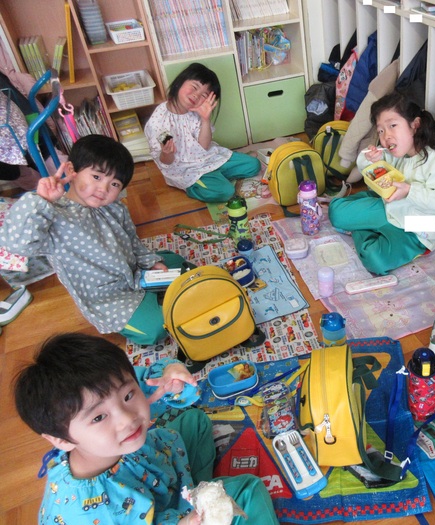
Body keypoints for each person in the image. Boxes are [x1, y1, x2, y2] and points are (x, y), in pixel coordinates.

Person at [14, 333, 279, 525]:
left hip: (154, 467)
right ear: (60, 440)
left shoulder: (107, 425)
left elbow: (147, 378)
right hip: (156, 516)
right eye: (98, 417)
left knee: (194, 421)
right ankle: (199, 504)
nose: (127, 419)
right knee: (249, 491)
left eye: (128, 396)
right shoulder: (90, 511)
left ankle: (197, 492)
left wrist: (171, 372)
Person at [0, 135, 184, 345]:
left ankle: (153, 294)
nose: (103, 189)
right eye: (97, 177)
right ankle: (152, 302)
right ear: (71, 170)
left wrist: (150, 262)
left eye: (114, 183)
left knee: (177, 264)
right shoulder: (52, 214)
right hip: (107, 299)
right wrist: (40, 201)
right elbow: (17, 245)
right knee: (156, 328)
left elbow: (133, 242)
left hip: (135, 273)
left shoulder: (116, 208)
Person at [328, 91, 435, 275]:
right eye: (381, 131)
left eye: (392, 125)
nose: (386, 136)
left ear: (415, 125)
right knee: (336, 213)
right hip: (389, 207)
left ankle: (361, 227)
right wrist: (371, 159)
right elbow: (369, 170)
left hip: (419, 226)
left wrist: (410, 191)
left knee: (375, 261)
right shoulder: (397, 150)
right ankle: (367, 221)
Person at [145, 62, 260, 203]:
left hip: (209, 157)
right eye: (194, 87)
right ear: (180, 83)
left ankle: (216, 176)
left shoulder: (196, 112)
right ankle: (195, 187)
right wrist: (166, 153)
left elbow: (204, 146)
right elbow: (166, 162)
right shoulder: (159, 122)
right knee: (226, 192)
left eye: (204, 95)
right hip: (187, 170)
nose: (196, 96)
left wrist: (205, 119)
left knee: (254, 165)